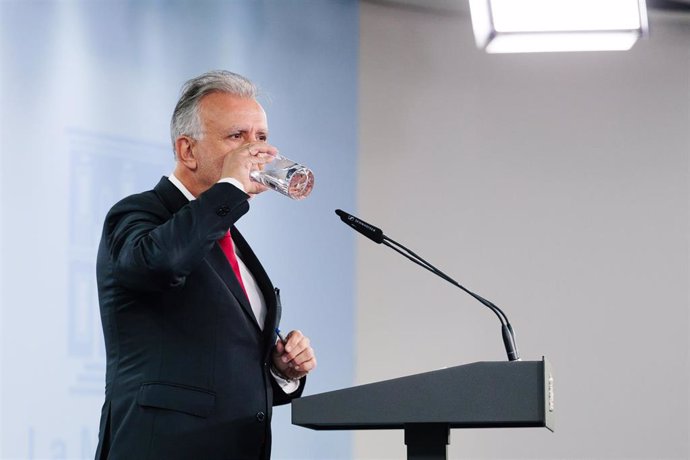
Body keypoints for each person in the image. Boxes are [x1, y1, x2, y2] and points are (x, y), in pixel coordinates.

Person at [94, 70, 317, 460]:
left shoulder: (224, 229)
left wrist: (281, 370)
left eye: (261, 137)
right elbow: (159, 266)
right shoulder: (139, 213)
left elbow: (221, 366)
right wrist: (229, 189)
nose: (256, 152)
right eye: (237, 137)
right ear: (187, 151)